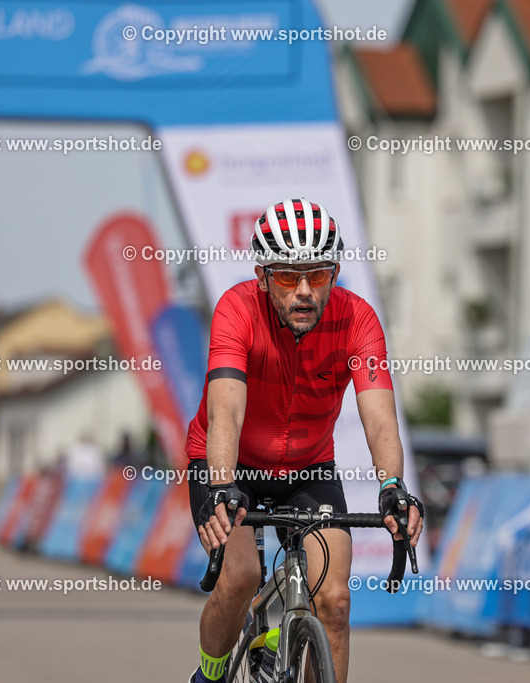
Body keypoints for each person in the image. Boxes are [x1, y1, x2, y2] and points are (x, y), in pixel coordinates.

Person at [184, 199, 423, 683]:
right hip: (233, 469)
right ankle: (209, 675)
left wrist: (393, 486)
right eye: (289, 278)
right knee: (241, 578)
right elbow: (226, 408)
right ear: (262, 275)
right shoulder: (237, 309)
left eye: (318, 275)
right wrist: (221, 485)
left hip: (309, 469)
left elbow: (379, 418)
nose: (305, 292)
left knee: (334, 602)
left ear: (335, 272)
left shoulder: (358, 320)